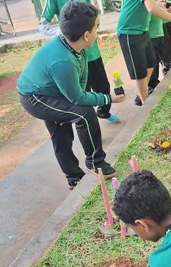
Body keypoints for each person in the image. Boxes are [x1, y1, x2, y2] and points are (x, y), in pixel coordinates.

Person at [18, 1, 124, 189]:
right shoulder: (64, 60)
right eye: (97, 27)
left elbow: (80, 86)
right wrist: (106, 98)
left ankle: (74, 177)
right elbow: (78, 99)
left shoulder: (75, 47)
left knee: (64, 125)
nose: (97, 32)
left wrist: (84, 96)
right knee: (82, 113)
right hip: (34, 97)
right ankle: (95, 162)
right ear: (86, 35)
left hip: (51, 88)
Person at [38, 0, 121, 124]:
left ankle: (103, 112)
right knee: (82, 94)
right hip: (74, 56)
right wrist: (62, 34)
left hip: (93, 53)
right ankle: (87, 124)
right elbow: (43, 23)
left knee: (103, 87)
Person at [117, 0, 171, 106]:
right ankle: (145, 104)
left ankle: (142, 93)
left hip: (143, 31)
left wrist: (160, 6)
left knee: (151, 62)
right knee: (140, 72)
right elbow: (151, 8)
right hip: (129, 32)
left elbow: (150, 5)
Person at [147, 7, 166, 91]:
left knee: (156, 61)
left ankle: (154, 83)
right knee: (151, 64)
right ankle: (150, 87)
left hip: (159, 33)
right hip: (149, 36)